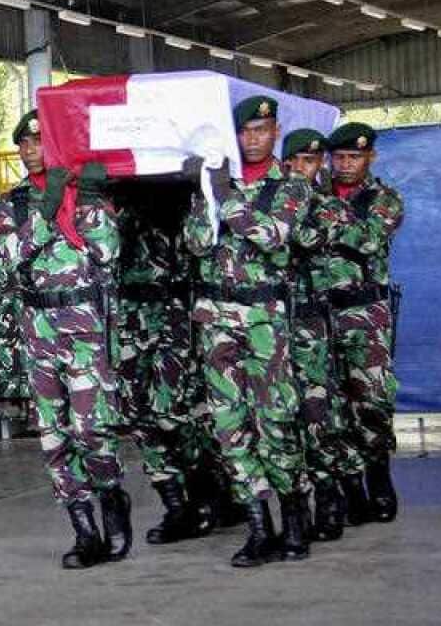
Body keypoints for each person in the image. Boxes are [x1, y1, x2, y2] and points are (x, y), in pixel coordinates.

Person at [0, 109, 132, 571]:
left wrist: (86, 198)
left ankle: (112, 498)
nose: (32, 149)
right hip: (40, 327)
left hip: (85, 325)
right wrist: (46, 209)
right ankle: (83, 528)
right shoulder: (11, 205)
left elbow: (107, 251)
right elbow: (8, 259)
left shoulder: (86, 196)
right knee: (53, 438)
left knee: (92, 428)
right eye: (24, 143)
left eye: (39, 141)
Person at [182, 95, 310, 567]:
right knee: (229, 426)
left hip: (264, 324)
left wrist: (225, 194)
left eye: (262, 130)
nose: (253, 138)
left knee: (275, 421)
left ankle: (295, 516)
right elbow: (195, 244)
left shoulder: (290, 187)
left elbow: (272, 235)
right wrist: (204, 195)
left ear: (276, 132)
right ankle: (260, 527)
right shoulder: (215, 186)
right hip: (217, 320)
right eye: (245, 131)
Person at [312, 122, 405, 524]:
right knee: (331, 406)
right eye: (339, 157)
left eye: (354, 157)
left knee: (371, 401)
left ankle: (379, 479)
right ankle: (352, 491)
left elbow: (367, 238)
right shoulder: (312, 195)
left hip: (366, 315)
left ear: (371, 157)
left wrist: (328, 219)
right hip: (320, 314)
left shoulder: (385, 198)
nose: (345, 165)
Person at [114, 185, 216, 546]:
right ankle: (175, 505)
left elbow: (201, 245)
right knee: (138, 415)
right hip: (129, 319)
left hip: (175, 318)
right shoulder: (115, 203)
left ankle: (208, 490)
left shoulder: (187, 198)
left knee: (174, 411)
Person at [284, 128, 367, 541]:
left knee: (319, 415)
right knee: (284, 418)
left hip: (314, 325)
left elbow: (306, 238)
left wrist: (295, 205)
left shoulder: (325, 207)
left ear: (321, 167)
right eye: (296, 161)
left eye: (311, 161)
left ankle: (331, 498)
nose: (302, 168)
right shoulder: (267, 202)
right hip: (273, 322)